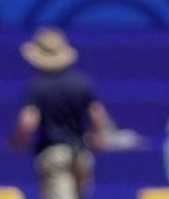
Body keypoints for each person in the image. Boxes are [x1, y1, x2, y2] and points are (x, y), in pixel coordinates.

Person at [9, 29, 111, 199]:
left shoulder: (37, 87)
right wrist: (99, 138)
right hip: (81, 153)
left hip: (54, 153)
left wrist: (17, 140)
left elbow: (28, 121)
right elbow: (97, 114)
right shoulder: (81, 82)